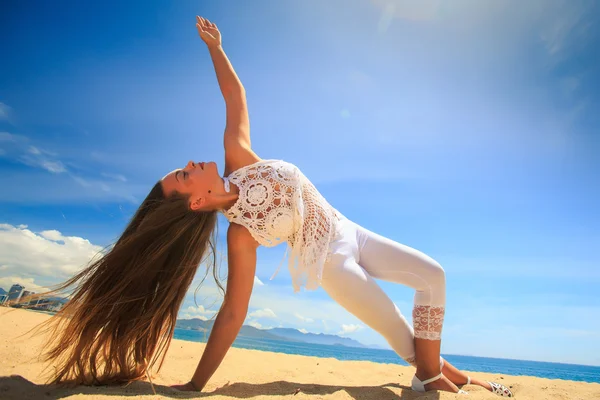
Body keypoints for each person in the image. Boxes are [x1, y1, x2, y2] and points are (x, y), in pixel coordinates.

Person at [39, 16, 513, 397]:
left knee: (434, 276)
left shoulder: (238, 159)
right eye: (183, 176)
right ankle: (431, 375)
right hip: (331, 264)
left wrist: (215, 48)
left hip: (353, 230)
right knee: (399, 332)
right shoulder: (241, 234)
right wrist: (195, 385)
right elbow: (232, 314)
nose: (188, 163)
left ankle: (435, 373)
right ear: (198, 200)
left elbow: (234, 96)